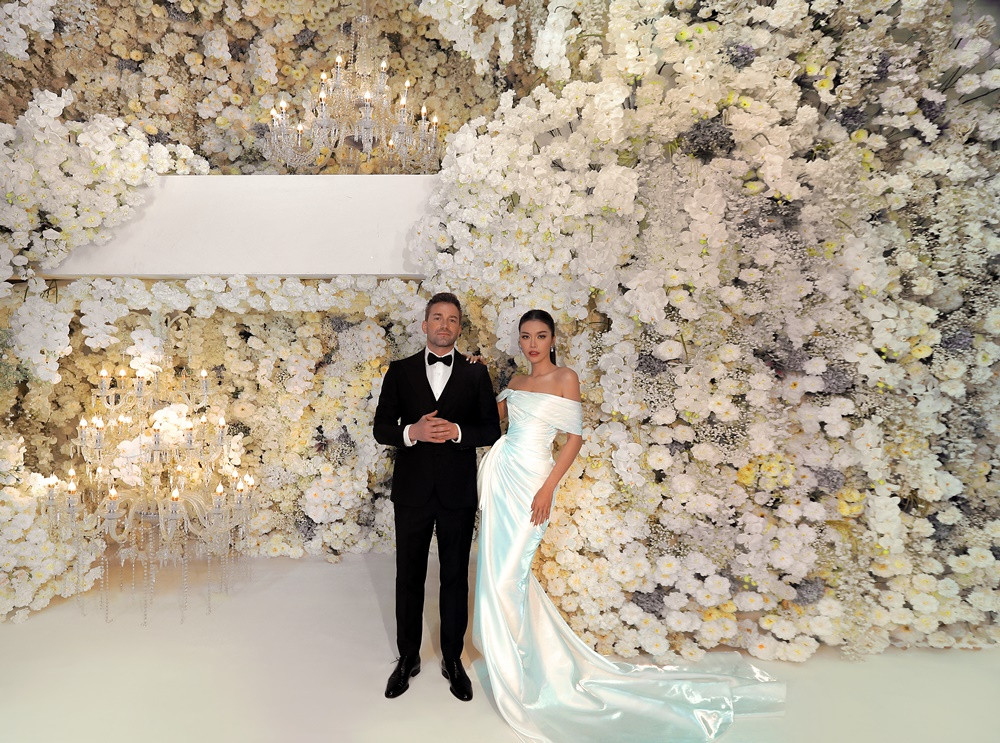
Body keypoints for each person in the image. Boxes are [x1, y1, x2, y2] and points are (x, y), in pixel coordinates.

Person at [473, 309, 784, 742]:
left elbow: (574, 440)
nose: (532, 344)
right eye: (525, 336)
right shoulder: (518, 381)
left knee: (511, 575)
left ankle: (522, 666)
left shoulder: (565, 378)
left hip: (534, 482)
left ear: (553, 339)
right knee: (495, 573)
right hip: (504, 476)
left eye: (541, 336)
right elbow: (485, 418)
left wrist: (547, 489)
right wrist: (476, 373)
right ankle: (514, 660)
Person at [373, 292, 501, 701]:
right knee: (408, 577)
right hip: (411, 492)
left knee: (454, 578)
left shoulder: (475, 373)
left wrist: (458, 432)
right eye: (437, 317)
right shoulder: (400, 370)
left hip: (456, 493)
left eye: (452, 319)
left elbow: (491, 430)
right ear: (425, 325)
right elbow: (381, 428)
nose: (445, 325)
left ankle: (452, 659)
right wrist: (412, 431)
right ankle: (407, 658)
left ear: (459, 328)